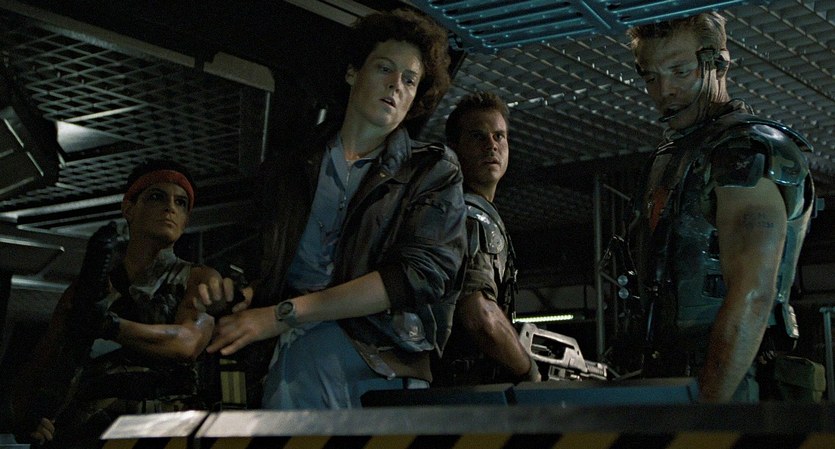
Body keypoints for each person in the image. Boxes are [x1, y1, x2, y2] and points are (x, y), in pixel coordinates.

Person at [206, 8, 467, 409]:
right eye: (384, 68)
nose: (396, 85)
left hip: (379, 358)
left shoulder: (431, 170)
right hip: (293, 357)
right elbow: (266, 262)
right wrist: (239, 293)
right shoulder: (292, 166)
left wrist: (282, 314)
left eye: (410, 79)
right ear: (352, 72)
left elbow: (418, 276)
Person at [624, 12, 815, 402]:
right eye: (650, 77)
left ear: (719, 64)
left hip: (734, 383)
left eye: (680, 71)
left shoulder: (742, 151)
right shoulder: (676, 157)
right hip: (679, 376)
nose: (664, 91)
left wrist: (708, 409)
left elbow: (753, 293)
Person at [11, 159, 233, 447]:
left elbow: (186, 343)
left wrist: (108, 325)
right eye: (157, 197)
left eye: (181, 203)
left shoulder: (197, 278)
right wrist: (27, 416)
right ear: (129, 208)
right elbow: (45, 361)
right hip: (87, 432)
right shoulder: (89, 288)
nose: (170, 208)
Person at [432, 91, 540, 386]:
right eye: (478, 136)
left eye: (499, 136)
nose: (491, 145)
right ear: (455, 148)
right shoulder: (473, 218)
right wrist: (528, 370)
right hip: (461, 389)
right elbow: (480, 316)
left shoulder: (450, 208)